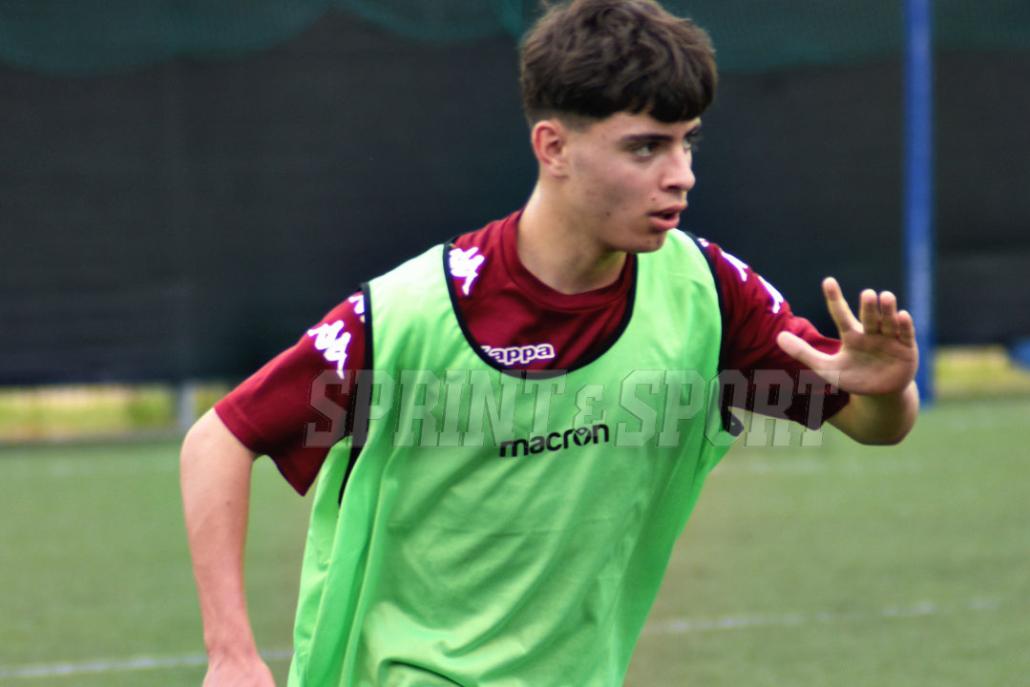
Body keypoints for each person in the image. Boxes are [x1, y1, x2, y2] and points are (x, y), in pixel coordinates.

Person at [180, 0, 920, 684]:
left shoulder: (707, 292)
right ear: (554, 146)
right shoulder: (414, 311)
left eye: (687, 143)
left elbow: (873, 424)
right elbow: (221, 437)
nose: (682, 176)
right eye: (645, 148)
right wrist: (231, 653)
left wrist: (886, 390)